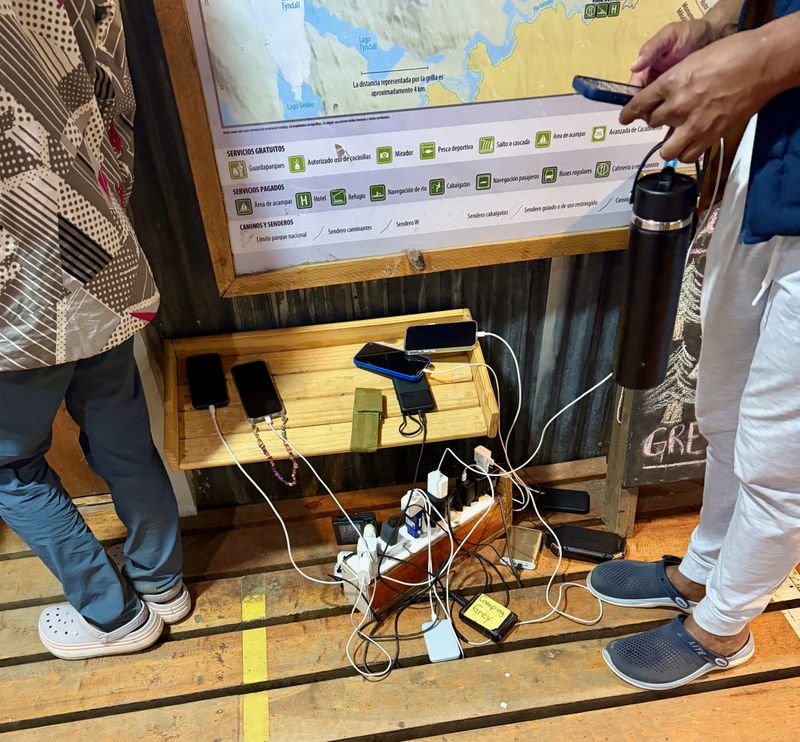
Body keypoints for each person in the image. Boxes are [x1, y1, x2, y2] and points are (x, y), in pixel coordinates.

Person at [587, 0, 800, 690]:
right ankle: (701, 571)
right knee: (722, 403)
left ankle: (725, 625)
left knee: (781, 455)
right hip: (777, 154)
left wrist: (766, 54)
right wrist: (720, 26)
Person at [0, 1, 189, 659]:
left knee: (8, 466)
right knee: (119, 425)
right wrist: (106, 198)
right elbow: (114, 88)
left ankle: (113, 617)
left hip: (11, 292)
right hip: (94, 240)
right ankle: (162, 583)